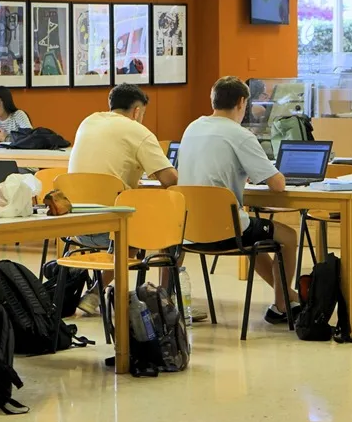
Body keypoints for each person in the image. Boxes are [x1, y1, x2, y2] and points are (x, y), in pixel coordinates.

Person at [177, 76, 300, 324]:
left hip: (188, 230)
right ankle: (282, 304)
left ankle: (288, 297)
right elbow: (277, 185)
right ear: (242, 102)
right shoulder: (240, 134)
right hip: (226, 231)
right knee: (288, 237)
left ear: (212, 100)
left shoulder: (192, 128)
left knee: (255, 239)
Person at [68, 84, 178, 314]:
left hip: (74, 225)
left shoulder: (88, 122)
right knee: (161, 226)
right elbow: (171, 180)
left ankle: (95, 292)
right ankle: (164, 300)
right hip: (111, 229)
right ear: (137, 111)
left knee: (130, 222)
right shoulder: (137, 131)